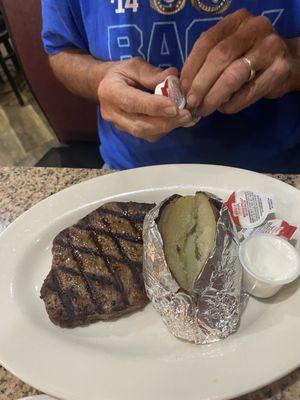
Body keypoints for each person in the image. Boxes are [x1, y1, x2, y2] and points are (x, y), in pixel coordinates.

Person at [41, 0, 300, 172]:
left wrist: (291, 58)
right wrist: (100, 77)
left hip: (275, 171)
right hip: (131, 170)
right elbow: (62, 50)